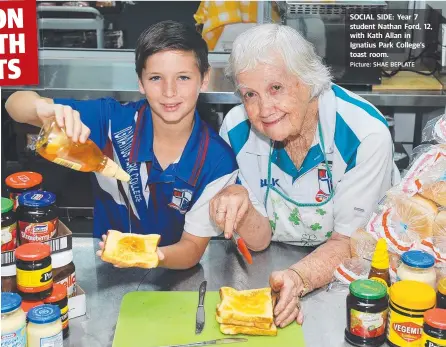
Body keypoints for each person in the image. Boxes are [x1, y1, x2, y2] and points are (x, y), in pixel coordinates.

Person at [5, 20, 238, 270]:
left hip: (175, 275)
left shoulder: (218, 162)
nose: (169, 91)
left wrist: (146, 255)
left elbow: (191, 248)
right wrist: (44, 109)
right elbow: (14, 104)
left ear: (204, 79)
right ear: (140, 82)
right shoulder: (112, 121)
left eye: (183, 77)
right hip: (105, 266)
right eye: (156, 78)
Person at [210, 24, 399, 327]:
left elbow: (350, 242)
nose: (264, 109)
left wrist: (297, 278)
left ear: (308, 81)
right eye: (249, 94)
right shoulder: (236, 131)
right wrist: (239, 202)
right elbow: (258, 242)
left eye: (276, 88)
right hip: (270, 260)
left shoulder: (364, 134)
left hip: (346, 276)